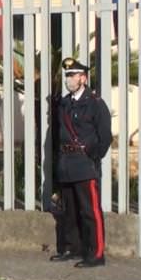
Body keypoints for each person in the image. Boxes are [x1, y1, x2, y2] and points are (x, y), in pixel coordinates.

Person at [52, 58, 112, 268]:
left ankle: (96, 253)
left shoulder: (95, 103)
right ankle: (73, 248)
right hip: (66, 164)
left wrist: (91, 156)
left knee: (90, 211)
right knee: (69, 211)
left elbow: (104, 136)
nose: (69, 79)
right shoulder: (64, 103)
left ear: (83, 78)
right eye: (67, 75)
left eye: (73, 75)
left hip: (84, 164)